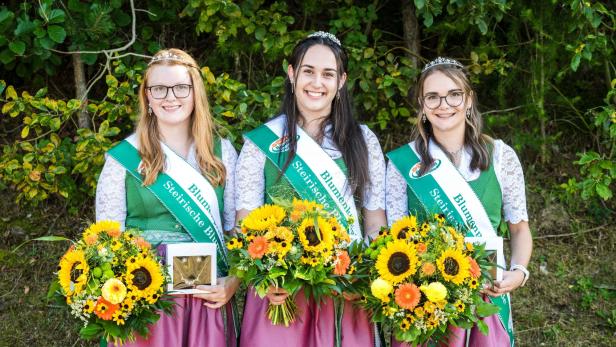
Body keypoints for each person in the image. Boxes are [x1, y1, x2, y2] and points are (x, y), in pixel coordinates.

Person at [235, 31, 387, 347]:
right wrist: (265, 275)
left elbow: (375, 222)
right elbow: (245, 222)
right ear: (292, 74)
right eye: (308, 71)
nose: (317, 82)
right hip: (279, 293)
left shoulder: (363, 140)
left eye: (328, 74)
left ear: (341, 81)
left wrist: (370, 276)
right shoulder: (261, 144)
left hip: (344, 287)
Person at [96, 48, 240, 347]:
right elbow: (107, 239)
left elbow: (237, 231)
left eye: (180, 87)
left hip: (205, 292)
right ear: (147, 97)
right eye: (158, 88)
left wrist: (234, 281)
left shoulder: (222, 152)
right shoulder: (123, 158)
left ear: (195, 93)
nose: (169, 96)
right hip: (145, 292)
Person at [385, 57, 533, 347]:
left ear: (468, 100)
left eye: (453, 94)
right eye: (433, 97)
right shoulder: (403, 164)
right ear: (422, 105)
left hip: (485, 298)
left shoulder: (501, 157)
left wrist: (519, 272)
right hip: (423, 305)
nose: (444, 104)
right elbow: (394, 237)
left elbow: (520, 229)